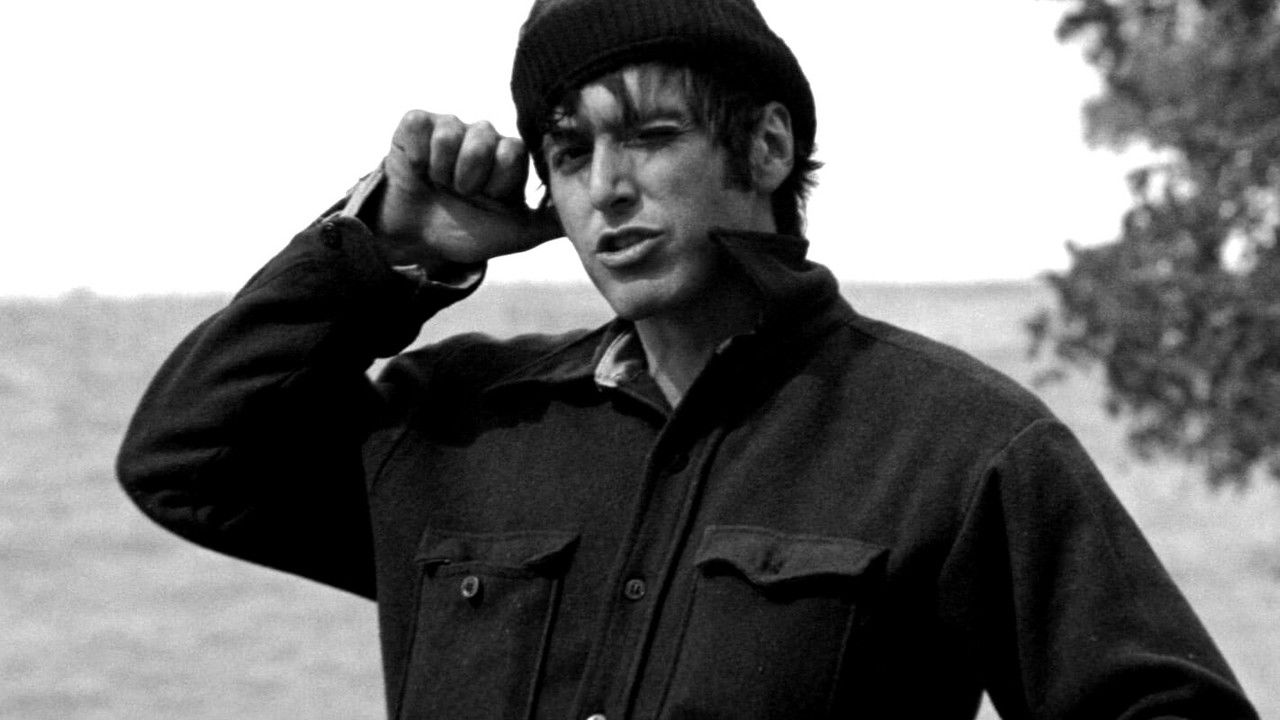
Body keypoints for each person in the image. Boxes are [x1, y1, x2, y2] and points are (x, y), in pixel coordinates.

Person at [117, 0, 1259, 718]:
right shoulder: (457, 429)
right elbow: (189, 462)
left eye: (650, 136)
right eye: (569, 153)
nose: (606, 188)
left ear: (766, 146)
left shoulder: (955, 446)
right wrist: (384, 251)